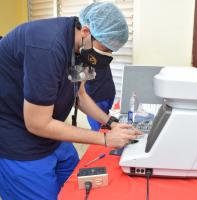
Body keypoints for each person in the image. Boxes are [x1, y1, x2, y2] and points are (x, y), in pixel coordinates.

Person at [0, 2, 142, 199]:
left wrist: (110, 122)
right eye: (106, 49)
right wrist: (104, 139)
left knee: (75, 181)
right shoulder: (47, 48)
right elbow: (37, 123)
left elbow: (81, 95)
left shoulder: (80, 47)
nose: (108, 56)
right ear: (86, 31)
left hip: (49, 132)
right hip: (17, 135)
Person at [74, 17, 116, 131]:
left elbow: (80, 82)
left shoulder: (86, 51)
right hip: (109, 91)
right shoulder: (102, 46)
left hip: (96, 96)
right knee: (105, 126)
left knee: (99, 130)